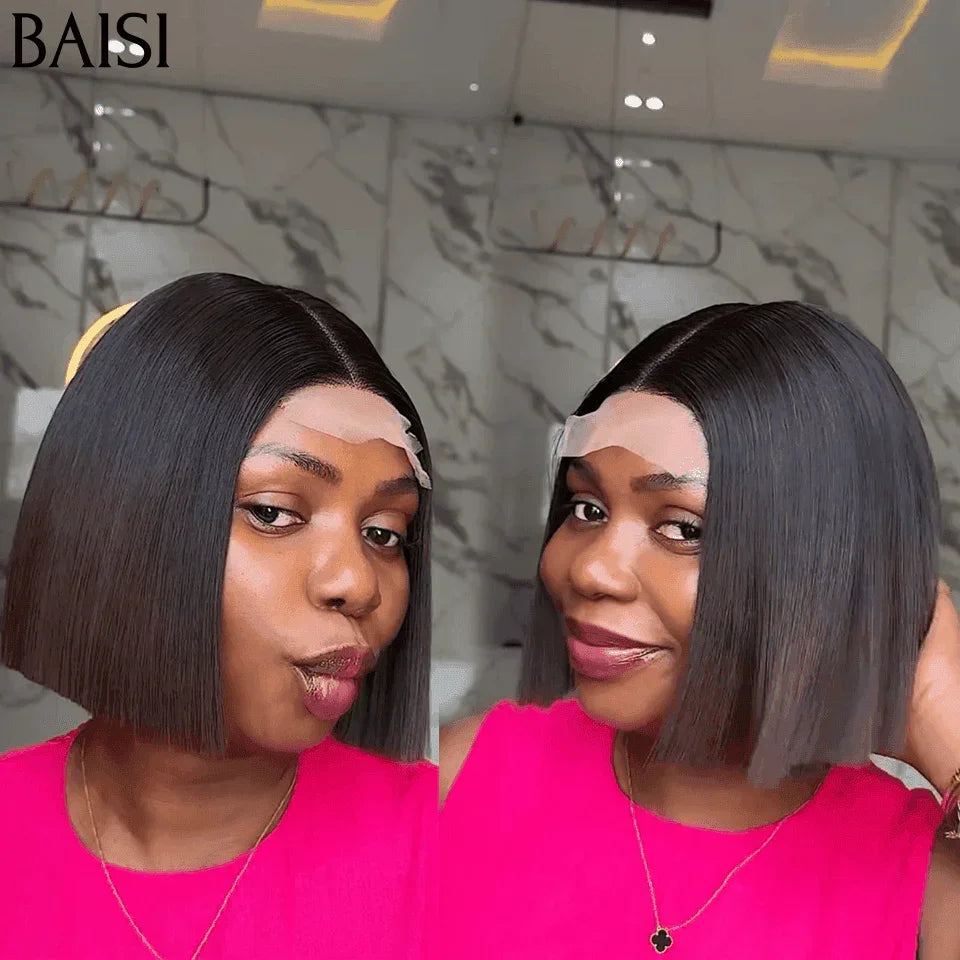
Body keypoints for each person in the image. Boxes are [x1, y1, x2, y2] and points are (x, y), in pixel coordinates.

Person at [440, 302, 960, 959]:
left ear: (825, 570)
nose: (591, 568)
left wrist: (944, 724)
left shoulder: (927, 880)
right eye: (587, 508)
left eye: (683, 528)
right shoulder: (463, 775)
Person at [0, 273, 436, 959]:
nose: (357, 583)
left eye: (385, 532)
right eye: (274, 512)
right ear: (123, 520)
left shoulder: (464, 855)